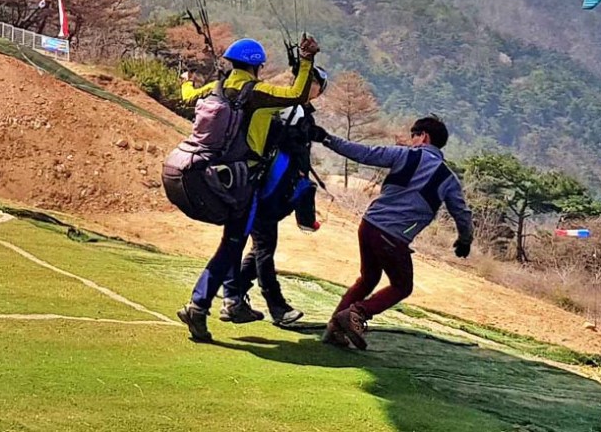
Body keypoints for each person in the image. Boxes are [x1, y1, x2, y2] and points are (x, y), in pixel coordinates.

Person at [175, 34, 321, 342]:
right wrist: (306, 60)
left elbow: (188, 96)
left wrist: (185, 80)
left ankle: (225, 301)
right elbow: (297, 94)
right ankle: (200, 305)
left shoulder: (216, 88)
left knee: (232, 242)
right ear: (257, 66)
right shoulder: (258, 93)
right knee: (232, 243)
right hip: (245, 182)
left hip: (213, 175)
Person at [310, 115, 473, 349]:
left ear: (423, 136)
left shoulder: (403, 155)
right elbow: (462, 213)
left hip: (369, 225)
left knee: (368, 278)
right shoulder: (448, 178)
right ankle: (357, 314)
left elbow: (363, 153)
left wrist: (326, 138)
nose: (411, 140)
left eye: (413, 136)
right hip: (393, 236)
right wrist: (464, 239)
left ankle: (335, 328)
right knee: (402, 286)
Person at [220, 65, 329, 327]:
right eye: (311, 82)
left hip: (264, 184)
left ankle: (232, 298)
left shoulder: (290, 108)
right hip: (265, 186)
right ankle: (276, 306)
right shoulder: (292, 109)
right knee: (264, 248)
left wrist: (317, 134)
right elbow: (286, 142)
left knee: (261, 246)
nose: (312, 88)